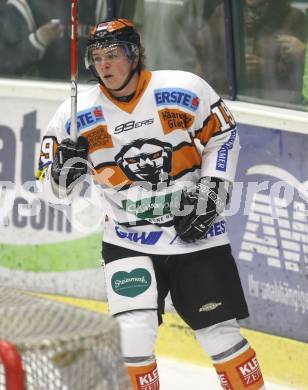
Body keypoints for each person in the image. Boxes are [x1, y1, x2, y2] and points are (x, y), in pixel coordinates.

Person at [36, 18, 265, 389]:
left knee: (219, 334)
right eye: (97, 57)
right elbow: (49, 188)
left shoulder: (184, 89)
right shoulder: (72, 116)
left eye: (113, 55)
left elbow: (223, 135)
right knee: (133, 337)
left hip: (195, 233)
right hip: (127, 240)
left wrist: (212, 192)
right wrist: (63, 170)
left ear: (135, 54)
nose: (104, 65)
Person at [197, 0, 306, 101]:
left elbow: (296, 79)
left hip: (274, 105)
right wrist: (235, 69)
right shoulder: (224, 12)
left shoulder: (293, 17)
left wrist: (264, 67)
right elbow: (205, 65)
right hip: (227, 99)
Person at [0, 0, 107, 79]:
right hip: (45, 93)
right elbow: (7, 66)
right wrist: (37, 40)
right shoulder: (19, 6)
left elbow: (118, 49)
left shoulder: (98, 3)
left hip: (92, 89)